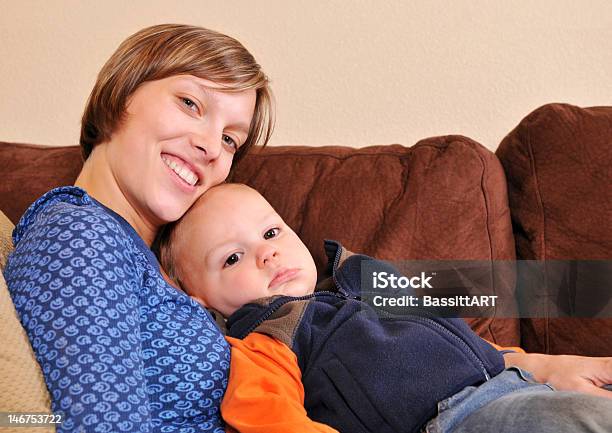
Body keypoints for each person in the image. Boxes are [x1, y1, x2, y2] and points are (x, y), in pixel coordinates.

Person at [158, 183, 612, 433]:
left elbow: (466, 343)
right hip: (456, 419)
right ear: (197, 298)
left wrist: (536, 364)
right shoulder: (270, 340)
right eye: (232, 258)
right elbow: (267, 415)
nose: (266, 255)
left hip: (513, 385)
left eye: (271, 233)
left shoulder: (363, 277)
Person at [4, 24, 274, 433]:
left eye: (231, 139)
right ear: (121, 94)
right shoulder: (80, 235)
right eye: (190, 103)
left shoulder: (162, 257)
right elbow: (103, 425)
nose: (213, 147)